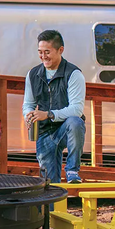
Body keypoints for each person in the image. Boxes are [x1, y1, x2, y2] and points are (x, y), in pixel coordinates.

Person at [22, 29, 86, 184]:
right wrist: (28, 114)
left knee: (76, 122)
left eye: (47, 52)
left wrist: (48, 114)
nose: (43, 56)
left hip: (66, 129)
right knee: (48, 185)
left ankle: (72, 170)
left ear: (60, 50)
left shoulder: (74, 74)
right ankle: (50, 208)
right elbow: (28, 104)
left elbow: (77, 109)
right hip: (44, 132)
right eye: (40, 52)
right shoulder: (32, 74)